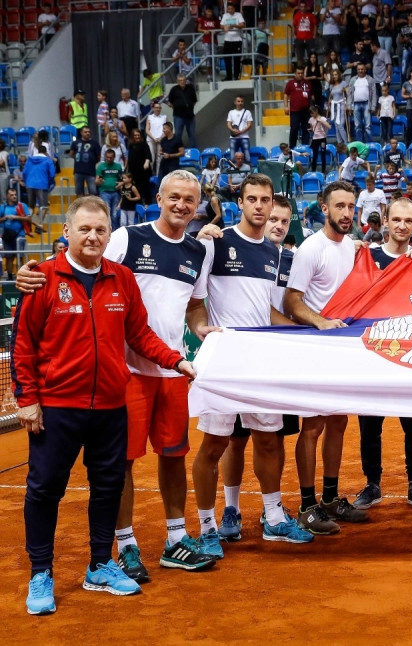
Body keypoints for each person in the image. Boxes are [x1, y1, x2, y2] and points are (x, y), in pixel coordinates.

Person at [15, 196, 196, 615]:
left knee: (108, 488)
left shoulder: (123, 279)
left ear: (110, 234)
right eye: (84, 229)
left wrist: (177, 359)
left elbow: (141, 335)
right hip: (57, 407)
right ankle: (41, 572)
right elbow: (23, 346)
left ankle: (100, 564)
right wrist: (27, 401)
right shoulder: (43, 278)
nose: (93, 236)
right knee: (44, 491)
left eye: (100, 230)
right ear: (67, 232)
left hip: (112, 406)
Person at [188, 174, 315, 553]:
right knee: (214, 445)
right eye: (252, 199)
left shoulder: (274, 254)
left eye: (265, 200)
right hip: (223, 362)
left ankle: (273, 517)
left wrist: (307, 332)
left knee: (268, 440)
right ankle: (209, 527)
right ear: (239, 203)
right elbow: (195, 302)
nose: (260, 206)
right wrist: (201, 331)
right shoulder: (216, 242)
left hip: (260, 362)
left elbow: (267, 310)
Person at [280, 181, 371, 529]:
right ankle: (306, 506)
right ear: (323, 207)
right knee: (313, 426)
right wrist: (322, 323)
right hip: (316, 347)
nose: (347, 213)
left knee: (339, 422)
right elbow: (291, 302)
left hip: (342, 350)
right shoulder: (309, 249)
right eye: (340, 206)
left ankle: (331, 500)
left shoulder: (352, 248)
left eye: (351, 207)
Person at [356, 199, 412, 510]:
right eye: (397, 219)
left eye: (409, 221)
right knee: (369, 426)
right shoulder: (366, 258)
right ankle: (372, 484)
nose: (402, 225)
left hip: (409, 357)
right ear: (385, 220)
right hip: (372, 354)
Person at [1, 188, 32, 279]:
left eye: (15, 194)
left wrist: (15, 217)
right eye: (11, 195)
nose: (14, 196)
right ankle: (10, 277)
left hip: (20, 235)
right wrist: (5, 218)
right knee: (9, 257)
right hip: (7, 236)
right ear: (7, 196)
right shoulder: (3, 207)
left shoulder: (22, 206)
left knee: (20, 256)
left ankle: (23, 275)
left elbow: (29, 219)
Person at [24, 143, 56, 222]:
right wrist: (49, 183)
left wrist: (26, 182)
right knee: (43, 206)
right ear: (46, 152)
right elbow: (52, 174)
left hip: (29, 184)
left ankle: (27, 226)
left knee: (30, 206)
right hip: (42, 184)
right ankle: (39, 226)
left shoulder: (30, 160)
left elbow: (24, 172)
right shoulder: (48, 161)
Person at [166, 75, 198, 148]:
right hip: (178, 116)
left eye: (183, 80)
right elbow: (170, 102)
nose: (182, 82)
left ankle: (193, 152)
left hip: (190, 116)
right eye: (180, 80)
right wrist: (177, 108)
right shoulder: (174, 89)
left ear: (186, 80)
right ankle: (178, 151)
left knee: (192, 135)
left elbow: (194, 101)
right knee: (178, 134)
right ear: (177, 81)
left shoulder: (190, 88)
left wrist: (189, 107)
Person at [285, 66, 312, 149]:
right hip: (294, 110)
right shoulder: (290, 83)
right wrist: (286, 106)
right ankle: (292, 148)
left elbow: (311, 96)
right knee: (294, 128)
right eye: (298, 73)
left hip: (306, 111)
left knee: (306, 129)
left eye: (302, 73)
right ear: (295, 74)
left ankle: (305, 147)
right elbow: (286, 94)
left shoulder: (307, 83)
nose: (300, 75)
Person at [95, 150, 124, 228]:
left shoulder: (118, 166)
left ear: (114, 157)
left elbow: (122, 179)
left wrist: (121, 183)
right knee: (106, 213)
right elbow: (97, 181)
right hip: (104, 192)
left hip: (115, 192)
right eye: (107, 157)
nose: (109, 159)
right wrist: (98, 181)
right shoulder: (101, 166)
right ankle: (107, 231)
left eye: (111, 157)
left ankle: (114, 232)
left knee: (114, 214)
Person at [220, 1, 247, 80]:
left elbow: (243, 24)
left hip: (237, 40)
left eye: (231, 9)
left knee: (236, 59)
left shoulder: (238, 15)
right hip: (227, 40)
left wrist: (234, 25)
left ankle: (236, 76)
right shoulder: (225, 15)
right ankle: (228, 76)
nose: (230, 10)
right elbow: (221, 25)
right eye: (229, 9)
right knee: (226, 58)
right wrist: (224, 26)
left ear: (234, 9)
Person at [70, 127, 100, 197]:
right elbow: (72, 154)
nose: (87, 133)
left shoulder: (95, 143)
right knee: (79, 191)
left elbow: (98, 156)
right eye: (85, 132)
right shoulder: (75, 143)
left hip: (91, 172)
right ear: (81, 133)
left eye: (89, 132)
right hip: (78, 171)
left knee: (93, 191)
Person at [350, 64, 373, 142]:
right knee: (357, 126)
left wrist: (373, 106)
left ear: (365, 70)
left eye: (362, 69)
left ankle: (369, 143)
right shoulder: (353, 79)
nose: (360, 71)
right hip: (356, 104)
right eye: (359, 69)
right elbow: (350, 94)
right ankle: (359, 143)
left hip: (367, 104)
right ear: (357, 70)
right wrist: (349, 106)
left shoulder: (370, 79)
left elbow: (374, 94)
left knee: (368, 126)